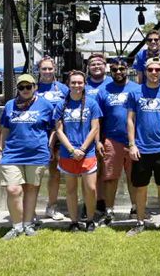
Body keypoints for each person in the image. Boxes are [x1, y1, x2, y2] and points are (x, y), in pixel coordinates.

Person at [0, 74, 56, 240]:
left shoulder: (45, 105)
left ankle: (28, 224)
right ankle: (16, 226)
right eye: (21, 87)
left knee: (31, 189)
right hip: (12, 154)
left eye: (28, 86)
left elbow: (53, 128)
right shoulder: (10, 105)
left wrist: (50, 146)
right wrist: (1, 148)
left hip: (37, 153)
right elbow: (5, 128)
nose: (25, 90)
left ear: (34, 87)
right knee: (13, 189)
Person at [126, 57, 160, 236]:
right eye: (150, 70)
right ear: (145, 71)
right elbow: (130, 120)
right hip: (141, 149)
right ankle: (140, 222)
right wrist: (132, 145)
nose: (154, 73)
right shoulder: (135, 92)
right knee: (141, 186)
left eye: (157, 70)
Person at [55, 70, 102, 232]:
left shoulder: (92, 104)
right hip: (68, 153)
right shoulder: (61, 105)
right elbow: (59, 130)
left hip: (87, 152)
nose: (77, 85)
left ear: (84, 84)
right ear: (68, 84)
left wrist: (82, 149)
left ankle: (89, 220)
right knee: (71, 189)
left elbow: (95, 128)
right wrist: (71, 149)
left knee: (91, 189)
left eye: (80, 82)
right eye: (73, 82)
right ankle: (74, 221)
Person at [96, 57, 141, 224]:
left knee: (134, 177)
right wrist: (99, 141)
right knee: (110, 177)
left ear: (127, 69)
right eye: (114, 69)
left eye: (121, 69)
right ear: (110, 71)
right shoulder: (104, 91)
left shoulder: (137, 89)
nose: (118, 72)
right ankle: (109, 211)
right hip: (112, 139)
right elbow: (98, 119)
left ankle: (135, 208)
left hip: (134, 140)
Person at [36, 56, 70, 222]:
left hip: (60, 135)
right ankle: (30, 209)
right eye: (44, 69)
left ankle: (52, 207)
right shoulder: (33, 88)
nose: (47, 72)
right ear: (39, 70)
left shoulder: (63, 89)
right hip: (38, 135)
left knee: (55, 173)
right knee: (35, 174)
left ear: (55, 69)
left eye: (50, 68)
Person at [85, 53, 113, 216]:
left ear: (105, 66)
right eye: (93, 64)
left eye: (99, 63)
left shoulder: (112, 83)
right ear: (88, 67)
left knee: (103, 168)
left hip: (107, 131)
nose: (96, 66)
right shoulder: (82, 84)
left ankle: (101, 201)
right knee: (87, 169)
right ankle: (88, 202)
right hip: (86, 132)